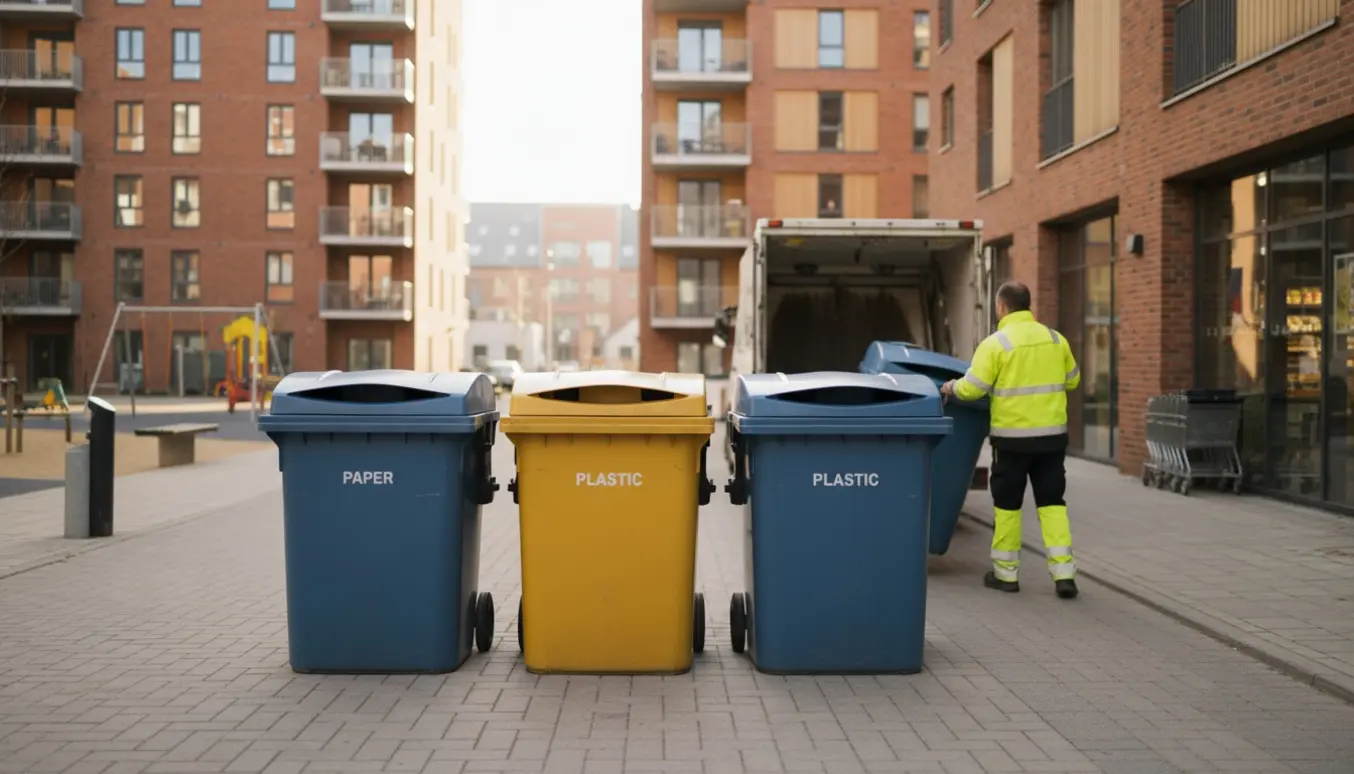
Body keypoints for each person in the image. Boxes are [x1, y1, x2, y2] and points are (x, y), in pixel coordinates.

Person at [940, 281, 1080, 599]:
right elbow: (1073, 381)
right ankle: (1064, 575)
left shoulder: (996, 344)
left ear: (1002, 307)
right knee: (1053, 504)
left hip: (1013, 443)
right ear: (1028, 306)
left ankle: (1006, 575)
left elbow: (973, 388)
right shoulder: (1056, 340)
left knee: (1008, 507)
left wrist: (950, 388)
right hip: (1052, 441)